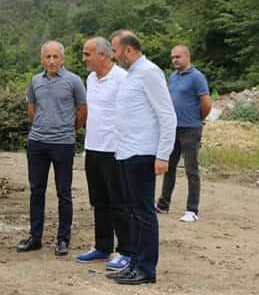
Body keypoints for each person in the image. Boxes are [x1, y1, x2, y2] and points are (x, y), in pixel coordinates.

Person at [107, 30, 176, 285]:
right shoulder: (132, 75)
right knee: (133, 212)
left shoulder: (149, 72)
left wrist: (163, 155)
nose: (113, 57)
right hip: (127, 152)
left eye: (115, 51)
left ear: (127, 50)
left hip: (143, 152)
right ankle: (135, 262)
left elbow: (167, 115)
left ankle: (147, 269)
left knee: (143, 213)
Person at [16, 41, 87, 256]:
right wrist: (43, 124)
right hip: (37, 143)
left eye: (56, 57)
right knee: (36, 191)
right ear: (42, 59)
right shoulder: (36, 81)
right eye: (48, 57)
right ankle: (35, 237)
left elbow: (83, 111)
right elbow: (32, 109)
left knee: (64, 193)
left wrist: (68, 129)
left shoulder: (74, 81)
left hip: (63, 144)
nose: (52, 60)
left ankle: (63, 240)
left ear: (62, 59)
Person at [76, 37, 132, 271]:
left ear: (103, 55)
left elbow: (131, 113)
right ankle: (102, 246)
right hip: (93, 148)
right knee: (98, 201)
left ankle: (127, 251)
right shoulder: (91, 78)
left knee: (118, 202)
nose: (84, 58)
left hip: (114, 150)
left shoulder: (122, 78)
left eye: (87, 54)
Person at [157, 45, 212, 223]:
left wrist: (197, 119)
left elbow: (206, 103)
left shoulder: (197, 77)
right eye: (172, 57)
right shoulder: (172, 77)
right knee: (169, 166)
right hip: (173, 128)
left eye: (178, 57)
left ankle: (192, 210)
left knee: (191, 169)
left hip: (190, 128)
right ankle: (163, 204)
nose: (175, 60)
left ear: (187, 57)